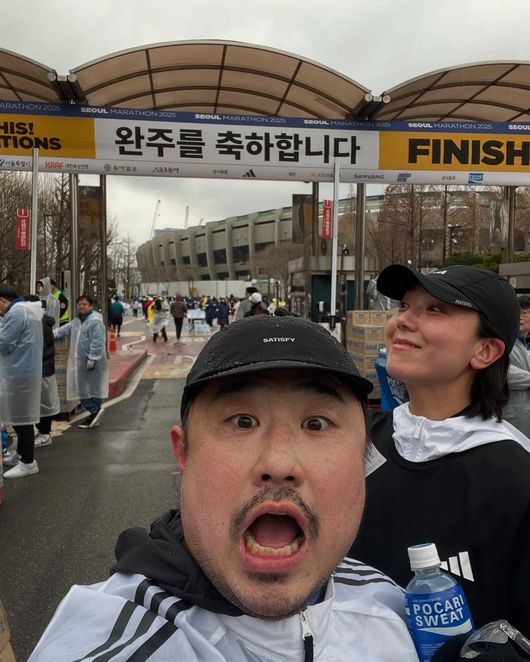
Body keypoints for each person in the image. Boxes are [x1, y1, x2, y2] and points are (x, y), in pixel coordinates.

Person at [29, 316, 421, 661]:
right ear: (184, 451)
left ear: (364, 456)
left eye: (316, 424)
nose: (278, 463)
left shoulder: (397, 610)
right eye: (242, 421)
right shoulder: (114, 645)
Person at [349, 264, 530, 635]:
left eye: (435, 310)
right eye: (404, 305)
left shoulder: (516, 479)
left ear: (485, 350)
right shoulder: (357, 441)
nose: (403, 320)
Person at [0, 285, 43, 478]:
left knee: (21, 418)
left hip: (19, 371)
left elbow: (4, 343)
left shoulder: (16, 312)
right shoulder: (26, 309)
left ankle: (28, 462)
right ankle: (20, 454)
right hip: (25, 369)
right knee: (19, 416)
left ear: (2, 300)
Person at [55, 295, 108, 429]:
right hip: (80, 360)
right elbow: (66, 329)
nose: (81, 306)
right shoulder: (77, 321)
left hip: (92, 361)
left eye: (84, 304)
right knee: (84, 388)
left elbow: (98, 340)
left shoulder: (95, 321)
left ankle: (94, 411)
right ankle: (95, 413)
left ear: (91, 306)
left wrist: (93, 358)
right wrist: (53, 333)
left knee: (87, 388)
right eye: (79, 304)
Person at [24, 296, 60, 448]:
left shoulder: (40, 325)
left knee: (42, 403)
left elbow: (36, 349)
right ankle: (43, 432)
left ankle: (45, 434)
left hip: (41, 370)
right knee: (40, 402)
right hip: (41, 369)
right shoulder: (40, 323)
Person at [503, 295, 530, 436]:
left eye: (524, 313)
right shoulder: (502, 340)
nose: (520, 317)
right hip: (509, 416)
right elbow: (502, 372)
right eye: (517, 313)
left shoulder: (523, 343)